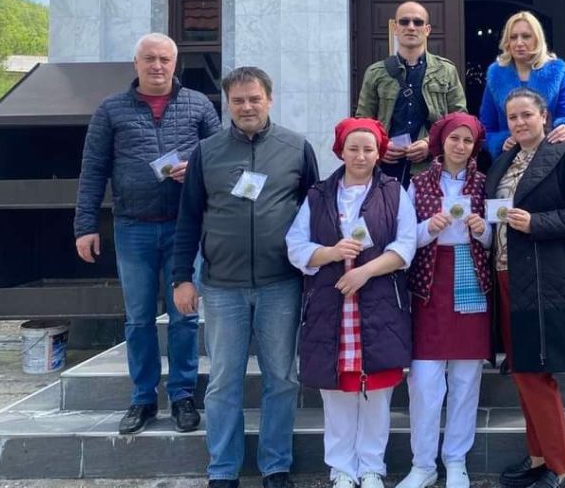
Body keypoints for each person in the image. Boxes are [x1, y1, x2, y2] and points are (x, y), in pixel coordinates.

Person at [172, 66, 319, 488]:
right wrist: (182, 277)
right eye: (238, 100)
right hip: (222, 287)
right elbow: (188, 218)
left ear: (269, 99)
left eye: (255, 98)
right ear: (227, 104)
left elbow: (315, 213)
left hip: (281, 284)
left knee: (282, 379)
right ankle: (223, 469)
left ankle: (276, 466)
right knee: (222, 381)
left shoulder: (296, 148)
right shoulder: (207, 152)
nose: (247, 107)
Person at [74, 32, 219, 435]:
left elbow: (221, 157)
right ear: (135, 64)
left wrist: (197, 170)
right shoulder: (111, 109)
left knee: (185, 315)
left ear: (175, 63)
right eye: (149, 59)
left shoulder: (199, 104)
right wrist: (85, 225)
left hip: (184, 227)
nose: (157, 66)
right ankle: (142, 398)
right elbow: (93, 169)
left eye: (164, 59)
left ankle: (183, 395)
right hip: (132, 226)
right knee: (138, 319)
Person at [287, 118, 417, 488]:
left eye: (368, 149)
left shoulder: (394, 192)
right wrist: (331, 252)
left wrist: (365, 272)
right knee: (336, 394)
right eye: (353, 148)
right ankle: (342, 468)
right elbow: (295, 245)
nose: (360, 156)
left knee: (376, 394)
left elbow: (406, 245)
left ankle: (372, 467)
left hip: (379, 304)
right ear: (340, 151)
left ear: (379, 153)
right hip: (331, 304)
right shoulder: (318, 194)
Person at [484, 88, 565, 488]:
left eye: (526, 115)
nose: (519, 122)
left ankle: (563, 467)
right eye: (512, 117)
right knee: (522, 370)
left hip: (542, 279)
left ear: (544, 116)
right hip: (504, 274)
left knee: (536, 373)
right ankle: (538, 458)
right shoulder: (504, 160)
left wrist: (536, 223)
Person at [397, 113, 492, 488]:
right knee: (424, 380)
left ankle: (456, 460)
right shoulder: (418, 183)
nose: (460, 146)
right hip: (429, 282)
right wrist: (428, 228)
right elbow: (406, 238)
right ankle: (422, 463)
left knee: (466, 377)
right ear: (441, 141)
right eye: (455, 138)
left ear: (475, 147)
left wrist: (483, 231)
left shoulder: (484, 183)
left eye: (468, 141)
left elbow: (495, 239)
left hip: (470, 276)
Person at [355, 1, 467, 186]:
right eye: (404, 21)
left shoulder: (446, 70)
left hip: (432, 167)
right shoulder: (376, 73)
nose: (411, 27)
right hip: (386, 169)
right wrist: (380, 144)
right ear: (395, 28)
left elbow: (459, 119)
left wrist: (430, 143)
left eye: (418, 22)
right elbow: (363, 120)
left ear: (427, 29)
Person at [479, 11, 565, 158]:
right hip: (510, 159)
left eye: (526, 36)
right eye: (513, 37)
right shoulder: (495, 75)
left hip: (551, 156)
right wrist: (501, 142)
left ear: (537, 39)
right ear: (507, 42)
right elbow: (486, 128)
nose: (519, 43)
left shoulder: (558, 73)